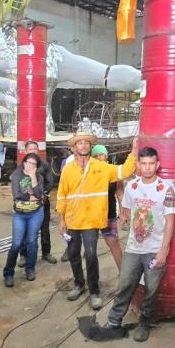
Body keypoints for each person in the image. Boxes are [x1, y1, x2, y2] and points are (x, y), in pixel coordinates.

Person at [57, 132, 138, 310]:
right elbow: (61, 195)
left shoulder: (101, 167)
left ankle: (94, 291)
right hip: (72, 221)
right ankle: (79, 284)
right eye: (80, 143)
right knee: (73, 253)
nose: (84, 145)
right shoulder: (68, 170)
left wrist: (134, 151)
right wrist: (61, 219)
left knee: (91, 255)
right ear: (74, 148)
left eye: (87, 143)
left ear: (90, 147)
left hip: (92, 221)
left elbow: (124, 171)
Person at [102, 147, 175, 342]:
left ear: (157, 165)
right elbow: (126, 210)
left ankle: (144, 323)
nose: (148, 167)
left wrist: (163, 251)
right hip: (134, 248)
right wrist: (122, 218)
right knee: (125, 284)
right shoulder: (132, 187)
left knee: (151, 289)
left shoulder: (166, 189)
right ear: (139, 165)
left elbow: (170, 222)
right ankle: (114, 320)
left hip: (155, 249)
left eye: (151, 163)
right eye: (144, 163)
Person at [3, 152, 47, 287]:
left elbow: (40, 194)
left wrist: (33, 177)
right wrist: (31, 196)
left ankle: (30, 269)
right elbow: (17, 194)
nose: (31, 166)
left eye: (34, 164)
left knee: (32, 241)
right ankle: (9, 273)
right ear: (24, 162)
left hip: (36, 213)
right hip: (20, 214)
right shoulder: (17, 175)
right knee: (16, 243)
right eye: (29, 163)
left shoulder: (38, 176)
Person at [16, 140, 59, 265]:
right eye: (31, 149)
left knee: (45, 228)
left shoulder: (44, 165)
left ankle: (46, 253)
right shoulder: (21, 166)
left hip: (42, 202)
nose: (34, 151)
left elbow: (50, 181)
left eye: (35, 149)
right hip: (27, 204)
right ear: (25, 151)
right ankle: (23, 255)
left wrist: (43, 193)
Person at [89, 144, 125, 271]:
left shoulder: (113, 171)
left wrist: (122, 212)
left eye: (101, 154)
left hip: (109, 215)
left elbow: (120, 193)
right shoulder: (88, 173)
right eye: (96, 155)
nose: (99, 157)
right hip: (90, 216)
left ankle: (123, 274)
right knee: (90, 249)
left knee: (114, 243)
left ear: (106, 155)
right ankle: (93, 282)